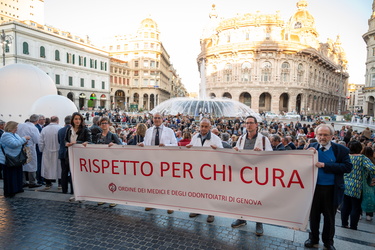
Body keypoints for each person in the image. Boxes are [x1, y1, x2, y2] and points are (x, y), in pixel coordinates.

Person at [304, 124, 353, 250]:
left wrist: (325, 166)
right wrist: (305, 155)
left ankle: (328, 242)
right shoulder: (311, 147)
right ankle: (313, 238)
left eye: (325, 135)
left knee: (329, 218)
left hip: (331, 189)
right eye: (320, 134)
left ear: (332, 136)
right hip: (314, 189)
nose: (322, 137)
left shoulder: (341, 150)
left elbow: (347, 168)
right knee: (313, 216)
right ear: (316, 135)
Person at [231, 115, 272, 236]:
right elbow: (237, 154)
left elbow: (271, 156)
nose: (248, 125)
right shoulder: (241, 138)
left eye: (250, 123)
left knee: (257, 199)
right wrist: (234, 151)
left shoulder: (264, 140)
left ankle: (259, 222)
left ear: (256, 125)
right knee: (242, 197)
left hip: (257, 174)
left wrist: (262, 153)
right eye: (246, 123)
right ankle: (242, 218)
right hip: (244, 174)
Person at [138, 112, 177, 214]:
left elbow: (175, 144)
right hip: (152, 160)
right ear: (152, 119)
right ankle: (152, 203)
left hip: (165, 161)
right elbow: (146, 143)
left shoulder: (169, 131)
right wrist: (142, 144)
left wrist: (166, 145)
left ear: (162, 119)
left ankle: (170, 205)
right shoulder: (148, 131)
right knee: (152, 182)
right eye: (155, 118)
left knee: (167, 183)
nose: (157, 120)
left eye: (159, 118)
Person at [186, 118, 223, 223]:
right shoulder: (194, 137)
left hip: (210, 170)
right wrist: (187, 149)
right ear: (199, 126)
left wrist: (218, 149)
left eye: (206, 126)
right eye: (202, 126)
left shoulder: (215, 139)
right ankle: (197, 209)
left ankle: (211, 213)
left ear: (210, 127)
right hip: (197, 169)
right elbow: (191, 153)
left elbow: (223, 153)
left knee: (210, 191)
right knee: (197, 190)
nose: (203, 128)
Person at [340, 141, 375, 230]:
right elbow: (372, 168)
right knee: (356, 207)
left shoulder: (346, 156)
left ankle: (344, 224)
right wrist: (372, 178)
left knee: (345, 205)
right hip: (357, 185)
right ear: (360, 148)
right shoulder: (362, 158)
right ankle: (353, 226)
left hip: (345, 183)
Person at [95, 117, 122, 207]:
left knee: (112, 180)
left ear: (109, 124)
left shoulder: (113, 135)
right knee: (102, 180)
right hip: (101, 161)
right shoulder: (98, 135)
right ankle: (103, 198)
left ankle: (114, 198)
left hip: (111, 161)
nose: (104, 125)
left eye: (106, 123)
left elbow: (121, 145)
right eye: (102, 123)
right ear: (100, 125)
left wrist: (114, 144)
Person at [65, 112, 92, 199]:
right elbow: (65, 140)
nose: (77, 121)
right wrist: (67, 143)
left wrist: (77, 143)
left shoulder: (85, 129)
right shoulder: (69, 129)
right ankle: (74, 194)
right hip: (70, 155)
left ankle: (83, 194)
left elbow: (89, 141)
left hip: (81, 156)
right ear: (72, 120)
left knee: (81, 176)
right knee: (72, 174)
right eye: (76, 119)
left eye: (79, 119)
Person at [0, 121, 31, 197]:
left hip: (16, 158)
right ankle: (10, 191)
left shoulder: (14, 134)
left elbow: (18, 142)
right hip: (9, 159)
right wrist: (24, 138)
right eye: (15, 127)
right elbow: (14, 144)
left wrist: (23, 142)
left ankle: (17, 188)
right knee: (10, 176)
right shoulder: (6, 135)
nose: (17, 129)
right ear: (11, 128)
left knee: (17, 174)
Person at [17, 114, 41, 188]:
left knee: (22, 163)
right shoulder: (33, 128)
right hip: (30, 148)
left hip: (20, 146)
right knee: (32, 164)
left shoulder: (20, 125)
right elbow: (37, 140)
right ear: (37, 121)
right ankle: (32, 182)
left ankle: (23, 181)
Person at [39, 116, 62, 190]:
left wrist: (41, 150)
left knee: (47, 168)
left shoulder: (44, 129)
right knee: (59, 168)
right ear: (57, 121)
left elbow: (41, 141)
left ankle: (48, 183)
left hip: (47, 151)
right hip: (58, 151)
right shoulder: (60, 128)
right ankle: (60, 184)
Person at [58, 115, 72, 194]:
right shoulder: (72, 130)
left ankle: (64, 189)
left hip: (62, 152)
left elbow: (59, 141)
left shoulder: (60, 130)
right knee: (72, 172)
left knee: (64, 172)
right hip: (70, 153)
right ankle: (72, 190)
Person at [35, 115, 45, 185]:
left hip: (40, 148)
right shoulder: (37, 128)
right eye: (43, 119)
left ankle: (41, 179)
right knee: (39, 164)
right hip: (38, 149)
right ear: (39, 120)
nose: (44, 120)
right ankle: (39, 179)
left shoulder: (41, 127)